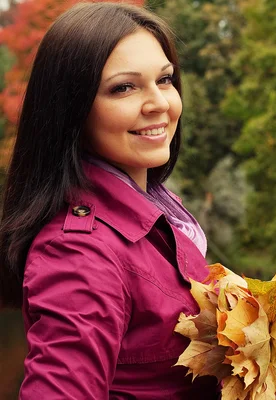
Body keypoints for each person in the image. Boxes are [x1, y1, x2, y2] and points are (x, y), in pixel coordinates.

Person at [0, 3, 222, 398]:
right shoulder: (78, 251)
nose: (159, 103)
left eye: (165, 80)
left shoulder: (160, 218)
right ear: (73, 110)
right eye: (124, 87)